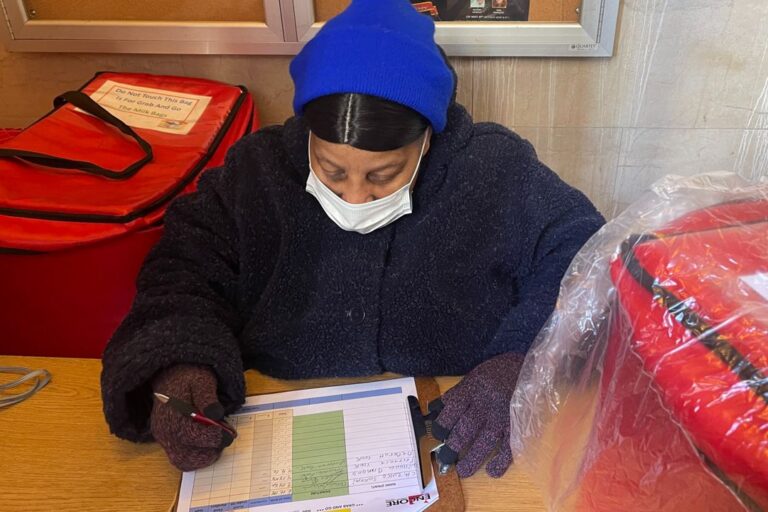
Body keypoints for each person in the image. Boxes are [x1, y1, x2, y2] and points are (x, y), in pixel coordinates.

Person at [101, 0, 604, 479]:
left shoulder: (492, 170)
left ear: (427, 138)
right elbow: (182, 271)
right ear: (307, 134)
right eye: (332, 170)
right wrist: (180, 362)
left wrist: (521, 361)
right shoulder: (257, 172)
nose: (357, 198)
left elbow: (584, 256)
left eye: (384, 175)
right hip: (272, 420)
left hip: (455, 424)